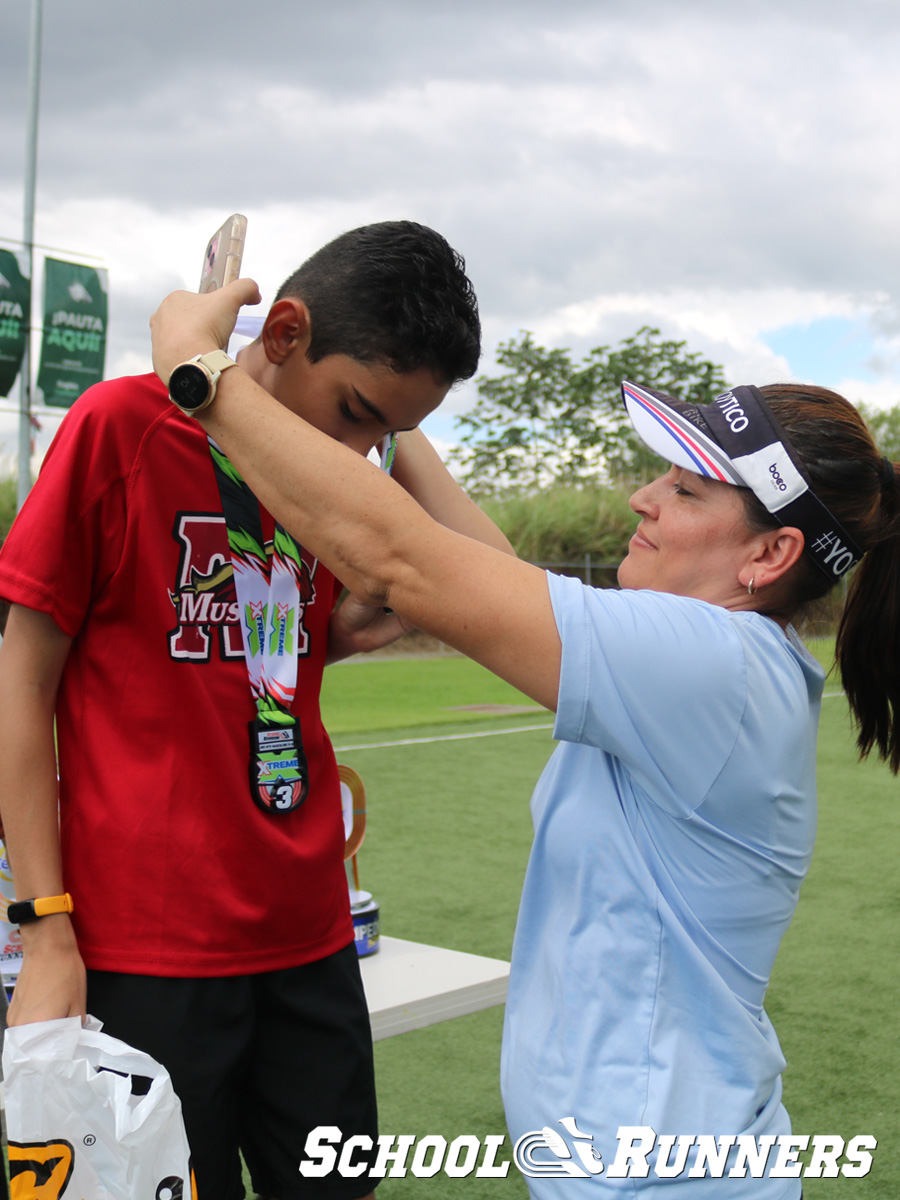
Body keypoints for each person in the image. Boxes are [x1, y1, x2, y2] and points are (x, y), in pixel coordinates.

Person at [146, 278, 900, 1197]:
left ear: (769, 556)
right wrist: (384, 405)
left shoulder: (715, 665)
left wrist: (204, 376)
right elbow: (492, 578)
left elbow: (406, 563)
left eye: (685, 486)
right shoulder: (717, 663)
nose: (640, 498)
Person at [0, 221, 514, 1200]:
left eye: (387, 434)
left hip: (309, 938)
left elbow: (497, 589)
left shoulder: (335, 485)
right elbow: (19, 685)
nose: (361, 450)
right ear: (281, 333)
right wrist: (47, 933)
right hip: (144, 953)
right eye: (357, 410)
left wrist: (383, 482)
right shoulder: (120, 429)